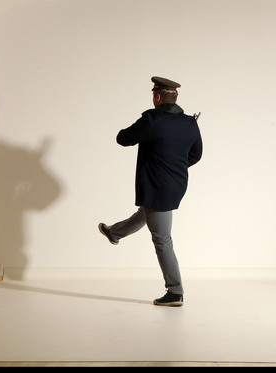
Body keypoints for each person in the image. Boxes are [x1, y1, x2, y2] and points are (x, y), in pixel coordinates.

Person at [99, 76, 203, 307]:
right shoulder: (189, 122)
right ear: (174, 96)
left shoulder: (151, 120)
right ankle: (115, 233)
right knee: (146, 212)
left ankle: (175, 292)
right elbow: (195, 155)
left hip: (157, 185)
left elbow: (123, 139)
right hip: (177, 184)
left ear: (157, 96)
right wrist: (174, 165)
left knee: (162, 239)